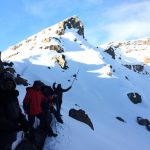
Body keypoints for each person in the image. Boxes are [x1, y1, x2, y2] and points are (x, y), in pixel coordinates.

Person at [0, 77, 29, 150]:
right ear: (3, 85)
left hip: (12, 130)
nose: (9, 85)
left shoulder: (13, 96)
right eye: (7, 84)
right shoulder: (1, 97)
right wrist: (14, 126)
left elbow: (18, 110)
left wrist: (23, 120)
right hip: (4, 131)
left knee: (9, 144)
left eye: (11, 83)